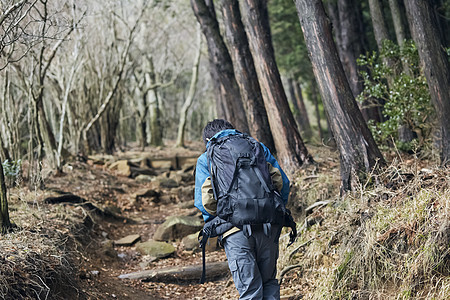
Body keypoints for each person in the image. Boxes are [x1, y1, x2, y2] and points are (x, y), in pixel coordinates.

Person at [194, 119, 290, 299]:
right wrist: (274, 212)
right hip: (269, 227)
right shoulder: (257, 147)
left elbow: (204, 202)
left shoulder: (207, 156)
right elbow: (283, 183)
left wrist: (219, 222)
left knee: (250, 291)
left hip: (235, 231)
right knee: (269, 282)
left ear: (208, 140)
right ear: (232, 131)